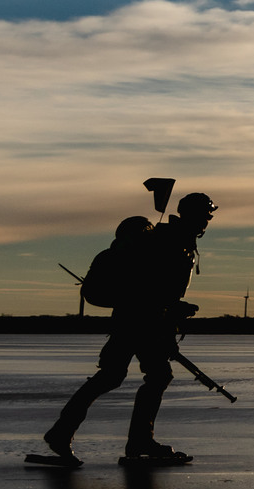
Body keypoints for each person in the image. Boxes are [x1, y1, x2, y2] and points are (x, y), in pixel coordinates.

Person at [42, 193, 216, 466]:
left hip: (142, 320)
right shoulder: (168, 241)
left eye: (209, 215)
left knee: (121, 376)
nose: (208, 220)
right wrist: (171, 309)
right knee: (145, 376)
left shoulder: (178, 241)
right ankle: (135, 441)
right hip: (140, 320)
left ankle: (65, 434)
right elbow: (149, 287)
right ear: (192, 215)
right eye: (205, 214)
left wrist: (172, 310)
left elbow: (160, 290)